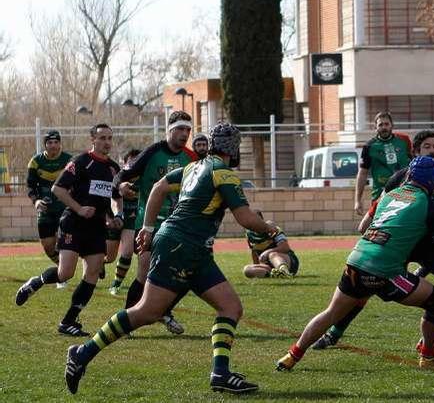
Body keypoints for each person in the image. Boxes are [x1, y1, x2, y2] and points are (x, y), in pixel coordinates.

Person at [64, 122, 277, 394]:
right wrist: (272, 228)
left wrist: (148, 228)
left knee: (231, 307)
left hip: (193, 249)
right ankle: (81, 354)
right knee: (147, 312)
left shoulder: (193, 167)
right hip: (181, 246)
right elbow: (246, 218)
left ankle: (220, 374)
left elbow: (158, 188)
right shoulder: (223, 174)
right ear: (234, 149)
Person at [275, 156, 434, 371]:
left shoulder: (391, 195)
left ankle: (291, 355)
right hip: (384, 271)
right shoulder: (428, 205)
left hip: (356, 260)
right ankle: (429, 358)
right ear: (431, 181)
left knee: (331, 313)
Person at [313, 130, 434, 352]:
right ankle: (334, 333)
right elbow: (369, 219)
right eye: (427, 147)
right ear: (415, 153)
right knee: (364, 290)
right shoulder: (401, 178)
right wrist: (368, 226)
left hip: (430, 245)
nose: (432, 151)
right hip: (399, 243)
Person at [16, 124, 122, 337]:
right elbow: (58, 189)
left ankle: (69, 321)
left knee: (93, 272)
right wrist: (79, 208)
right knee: (66, 273)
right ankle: (35, 283)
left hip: (96, 227)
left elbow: (116, 197)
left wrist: (116, 215)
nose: (107, 142)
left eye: (110, 138)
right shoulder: (80, 162)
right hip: (73, 223)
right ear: (92, 140)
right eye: (102, 138)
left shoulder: (113, 168)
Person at [113, 110, 197, 335]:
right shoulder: (152, 153)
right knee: (144, 272)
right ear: (169, 130)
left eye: (188, 130)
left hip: (178, 227)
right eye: (180, 129)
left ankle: (164, 311)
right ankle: (125, 322)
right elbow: (122, 175)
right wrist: (120, 186)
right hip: (148, 224)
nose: (184, 134)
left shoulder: (191, 158)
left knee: (186, 274)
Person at [26, 130, 73, 268]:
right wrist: (36, 201)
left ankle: (91, 260)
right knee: (48, 246)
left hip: (66, 207)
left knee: (68, 241)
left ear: (60, 144)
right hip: (45, 208)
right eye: (50, 142)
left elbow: (78, 183)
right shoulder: (35, 161)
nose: (53, 145)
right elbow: (30, 186)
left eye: (56, 142)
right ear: (45, 145)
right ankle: (62, 269)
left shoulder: (69, 160)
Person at [354, 111, 412, 215]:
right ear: (375, 127)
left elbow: (413, 166)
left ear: (392, 125)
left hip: (404, 194)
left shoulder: (404, 141)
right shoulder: (369, 146)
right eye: (380, 125)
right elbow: (362, 173)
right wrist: (357, 200)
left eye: (386, 124)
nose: (384, 127)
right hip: (380, 196)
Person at [108, 149, 141, 295]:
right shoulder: (119, 177)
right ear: (125, 163)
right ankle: (99, 264)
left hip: (132, 217)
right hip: (115, 216)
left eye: (137, 161)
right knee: (109, 257)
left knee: (127, 251)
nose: (134, 165)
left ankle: (116, 284)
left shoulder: (146, 177)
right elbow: (110, 195)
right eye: (131, 162)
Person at [243, 210, 299, 279]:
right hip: (268, 265)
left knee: (272, 254)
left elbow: (285, 247)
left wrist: (267, 252)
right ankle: (274, 274)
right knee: (247, 270)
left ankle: (284, 272)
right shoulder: (250, 235)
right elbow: (254, 252)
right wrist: (258, 266)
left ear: (261, 220)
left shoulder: (272, 229)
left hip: (286, 261)